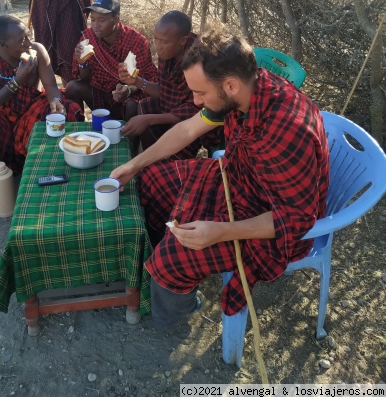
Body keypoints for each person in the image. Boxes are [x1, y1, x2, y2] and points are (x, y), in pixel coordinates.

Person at [110, 30, 330, 328]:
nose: (194, 100)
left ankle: (176, 310)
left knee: (171, 261)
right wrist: (134, 165)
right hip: (236, 177)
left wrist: (220, 231)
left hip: (267, 219)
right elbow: (188, 130)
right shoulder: (241, 91)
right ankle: (170, 255)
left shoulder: (289, 129)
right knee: (151, 181)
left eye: (200, 93)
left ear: (230, 85)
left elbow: (295, 220)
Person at [0, 15, 83, 214]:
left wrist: (55, 101)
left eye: (29, 36)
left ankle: (62, 170)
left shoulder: (36, 51)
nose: (28, 43)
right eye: (22, 40)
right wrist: (16, 82)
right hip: (0, 114)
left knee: (68, 109)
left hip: (30, 109)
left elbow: (51, 86)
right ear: (3, 44)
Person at [119, 10, 218, 158]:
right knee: (145, 106)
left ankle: (173, 166)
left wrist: (149, 119)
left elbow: (195, 110)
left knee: (148, 119)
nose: (158, 46)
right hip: (175, 110)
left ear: (183, 41)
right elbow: (164, 91)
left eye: (163, 42)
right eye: (156, 39)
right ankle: (150, 160)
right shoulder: (168, 52)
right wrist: (137, 82)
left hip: (198, 121)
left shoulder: (198, 61)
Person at [65, 0, 158, 119]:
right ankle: (78, 128)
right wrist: (82, 62)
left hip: (128, 94)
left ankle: (129, 137)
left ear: (116, 18)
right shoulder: (88, 37)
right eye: (93, 20)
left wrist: (127, 90)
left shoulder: (137, 41)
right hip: (100, 91)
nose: (96, 25)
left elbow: (144, 79)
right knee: (72, 87)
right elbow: (84, 78)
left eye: (102, 20)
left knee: (132, 105)